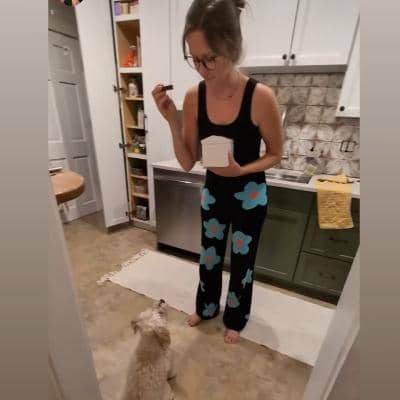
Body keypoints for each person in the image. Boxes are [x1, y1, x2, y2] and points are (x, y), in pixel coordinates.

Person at [152, 0, 283, 344]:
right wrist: (171, 118)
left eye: (209, 58)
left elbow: (275, 154)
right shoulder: (194, 96)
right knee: (208, 258)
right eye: (194, 59)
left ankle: (236, 318)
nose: (201, 68)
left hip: (250, 196)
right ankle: (207, 307)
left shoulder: (261, 97)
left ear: (232, 48)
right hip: (213, 193)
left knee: (242, 263)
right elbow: (187, 161)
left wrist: (242, 170)